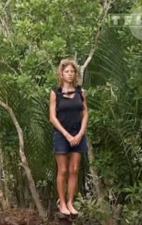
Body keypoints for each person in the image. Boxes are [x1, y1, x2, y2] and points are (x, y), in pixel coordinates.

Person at [49, 58, 88, 216]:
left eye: (72, 71)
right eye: (67, 72)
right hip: (61, 134)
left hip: (78, 133)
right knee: (63, 170)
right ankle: (62, 203)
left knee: (74, 169)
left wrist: (79, 134)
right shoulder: (55, 92)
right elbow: (52, 117)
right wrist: (66, 134)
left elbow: (85, 113)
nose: (70, 74)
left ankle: (71, 202)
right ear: (61, 74)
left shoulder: (81, 92)